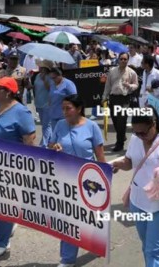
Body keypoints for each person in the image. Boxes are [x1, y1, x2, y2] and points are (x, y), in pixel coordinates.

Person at [112, 107, 159, 267]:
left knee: (154, 250)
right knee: (147, 246)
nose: (140, 136)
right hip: (138, 202)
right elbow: (130, 162)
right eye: (136, 133)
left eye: (143, 133)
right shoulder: (135, 139)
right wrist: (117, 164)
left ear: (154, 124)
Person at [48, 95, 105, 267]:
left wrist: (105, 179)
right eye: (63, 108)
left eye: (68, 108)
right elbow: (50, 144)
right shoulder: (59, 125)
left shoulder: (92, 127)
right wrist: (54, 146)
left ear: (79, 109)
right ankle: (67, 259)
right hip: (64, 180)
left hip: (89, 181)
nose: (64, 112)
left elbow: (100, 156)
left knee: (91, 217)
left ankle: (96, 241)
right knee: (69, 218)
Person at [0, 77, 36, 260]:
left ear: (8, 92)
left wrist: (27, 169)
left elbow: (30, 139)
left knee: (3, 203)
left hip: (10, 166)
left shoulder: (21, 112)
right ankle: (11, 221)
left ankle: (2, 243)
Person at [102, 52, 138, 152]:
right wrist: (104, 97)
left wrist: (130, 86)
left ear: (128, 60)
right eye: (121, 59)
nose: (123, 61)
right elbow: (107, 86)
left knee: (121, 122)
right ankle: (122, 136)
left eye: (125, 59)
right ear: (118, 59)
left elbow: (136, 85)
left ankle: (119, 144)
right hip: (113, 98)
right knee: (115, 121)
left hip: (124, 99)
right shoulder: (112, 71)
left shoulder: (132, 72)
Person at [48, 67, 77, 136]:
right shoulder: (52, 84)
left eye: (54, 77)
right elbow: (51, 96)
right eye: (51, 78)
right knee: (56, 135)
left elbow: (74, 98)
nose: (53, 79)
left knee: (65, 136)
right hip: (54, 115)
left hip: (65, 115)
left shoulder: (68, 84)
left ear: (60, 75)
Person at [33, 60, 53, 147]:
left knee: (46, 125)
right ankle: (51, 140)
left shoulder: (50, 77)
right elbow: (36, 87)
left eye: (42, 67)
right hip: (38, 103)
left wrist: (45, 79)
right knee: (44, 124)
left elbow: (51, 89)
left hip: (47, 104)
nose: (39, 67)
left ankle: (44, 144)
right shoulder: (37, 75)